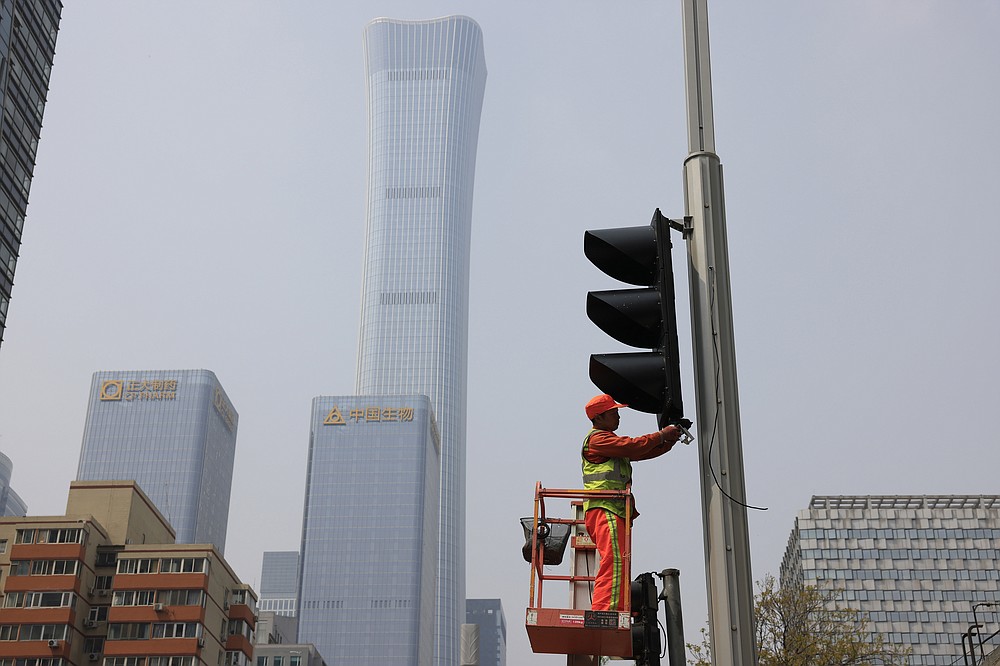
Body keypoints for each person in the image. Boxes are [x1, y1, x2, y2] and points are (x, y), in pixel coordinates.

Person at [582, 393, 682, 612]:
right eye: (614, 413)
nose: (619, 417)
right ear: (599, 418)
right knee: (615, 561)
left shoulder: (610, 444)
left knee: (619, 561)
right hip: (604, 507)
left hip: (614, 508)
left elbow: (641, 450)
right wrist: (662, 435)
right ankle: (604, 612)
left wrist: (668, 441)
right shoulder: (599, 439)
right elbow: (633, 446)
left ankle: (613, 609)